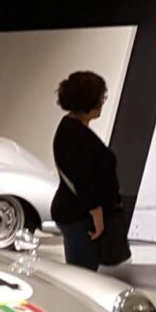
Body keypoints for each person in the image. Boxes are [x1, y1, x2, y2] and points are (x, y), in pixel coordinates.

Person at [51, 70, 124, 272]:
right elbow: (81, 180)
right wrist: (97, 215)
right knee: (83, 275)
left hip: (81, 214)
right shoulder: (73, 135)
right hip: (81, 217)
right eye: (102, 97)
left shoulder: (72, 129)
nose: (103, 101)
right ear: (90, 102)